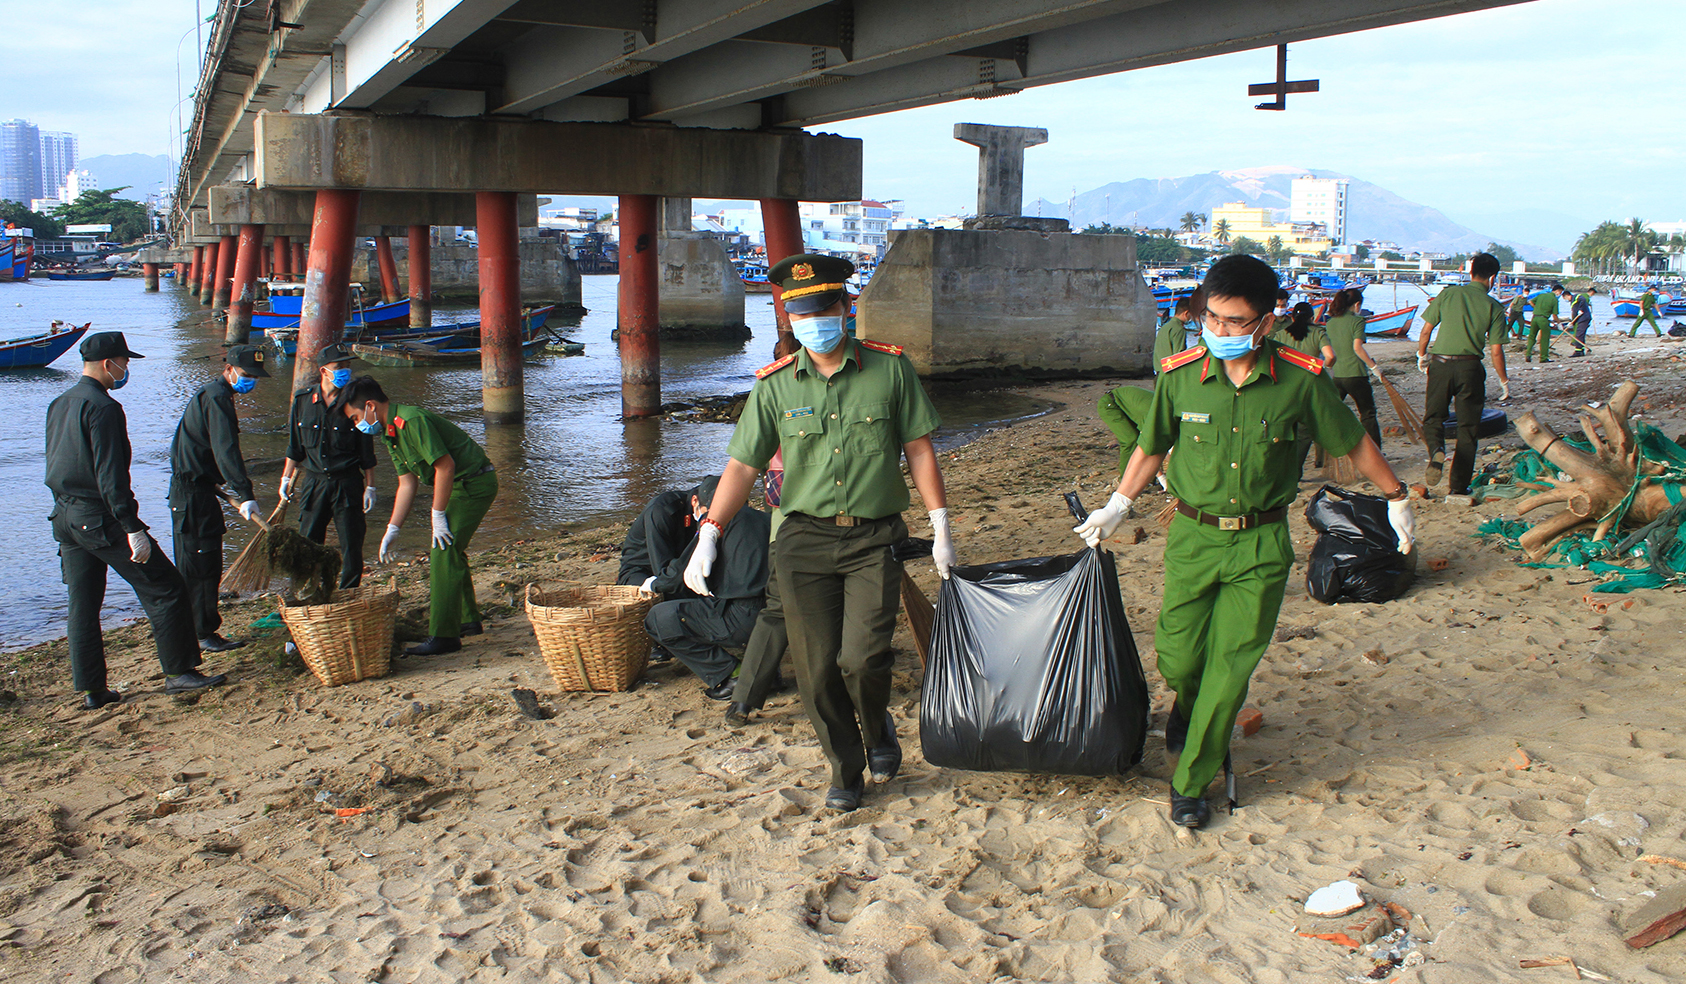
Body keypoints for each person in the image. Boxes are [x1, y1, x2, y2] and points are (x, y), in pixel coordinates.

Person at [1073, 255, 1414, 829]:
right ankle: (1187, 710)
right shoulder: (1181, 374)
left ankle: (1191, 783)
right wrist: (1117, 505)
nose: (1223, 333)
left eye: (1236, 323)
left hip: (1259, 545)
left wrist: (1398, 496)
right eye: (1213, 319)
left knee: (1229, 669)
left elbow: (1352, 442)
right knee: (1178, 658)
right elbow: (1151, 445)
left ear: (1266, 320)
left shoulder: (1301, 379)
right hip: (1191, 537)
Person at [683, 252, 957, 813]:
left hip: (872, 539)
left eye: (822, 309)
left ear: (846, 307)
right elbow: (743, 465)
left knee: (863, 657)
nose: (813, 322)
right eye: (799, 313)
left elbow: (919, 449)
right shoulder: (775, 386)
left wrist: (940, 524)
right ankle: (846, 766)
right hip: (801, 542)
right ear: (789, 319)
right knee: (816, 667)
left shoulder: (890, 369)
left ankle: (878, 727)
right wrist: (711, 530)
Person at [45, 332, 229, 707]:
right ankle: (180, 672)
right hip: (98, 516)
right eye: (123, 362)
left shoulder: (60, 402)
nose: (125, 369)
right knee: (166, 587)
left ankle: (93, 689)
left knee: (83, 604)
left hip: (64, 515)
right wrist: (132, 528)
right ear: (107, 363)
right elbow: (111, 477)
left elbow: (55, 462)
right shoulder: (104, 407)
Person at [340, 375, 498, 656]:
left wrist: (437, 515)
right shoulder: (391, 433)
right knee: (450, 549)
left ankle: (444, 635)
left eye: (355, 418)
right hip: (459, 486)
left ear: (370, 406)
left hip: (473, 482)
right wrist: (393, 528)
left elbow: (445, 467)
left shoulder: (411, 421)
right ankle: (467, 619)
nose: (357, 425)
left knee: (442, 549)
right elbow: (407, 483)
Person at [170, 344, 268, 652]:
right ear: (229, 370)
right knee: (201, 565)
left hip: (202, 489)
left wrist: (229, 490)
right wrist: (245, 492)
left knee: (208, 561)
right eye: (246, 375)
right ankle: (201, 633)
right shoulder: (217, 398)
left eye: (254, 376)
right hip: (192, 495)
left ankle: (201, 629)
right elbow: (226, 450)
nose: (250, 381)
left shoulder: (216, 394)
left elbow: (211, 452)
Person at [727, 336, 803, 728]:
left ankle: (745, 699)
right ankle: (745, 697)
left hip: (785, 518)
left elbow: (746, 463)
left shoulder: (770, 390)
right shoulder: (776, 389)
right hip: (789, 517)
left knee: (778, 610)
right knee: (783, 608)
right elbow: (744, 464)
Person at [641, 476, 770, 700]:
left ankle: (731, 674)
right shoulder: (765, 519)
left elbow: (678, 575)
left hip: (744, 617)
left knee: (658, 619)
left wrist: (652, 583)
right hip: (778, 614)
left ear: (701, 506)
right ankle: (770, 674)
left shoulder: (713, 524)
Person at [278, 343, 377, 589]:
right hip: (314, 483)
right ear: (324, 371)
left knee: (352, 543)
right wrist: (286, 479)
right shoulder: (303, 401)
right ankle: (307, 592)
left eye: (347, 365)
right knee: (308, 544)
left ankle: (349, 593)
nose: (345, 370)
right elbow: (295, 447)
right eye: (339, 366)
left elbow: (367, 451)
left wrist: (370, 487)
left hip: (347, 483)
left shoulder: (356, 402)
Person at [1415, 252, 1513, 495]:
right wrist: (1504, 381)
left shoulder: (1449, 293)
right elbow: (1496, 351)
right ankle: (1458, 487)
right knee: (1468, 429)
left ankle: (1437, 450)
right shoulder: (1494, 306)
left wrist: (1421, 355)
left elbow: (1426, 331)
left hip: (1440, 364)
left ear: (1471, 272)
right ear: (1493, 278)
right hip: (1470, 368)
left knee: (1433, 417)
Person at [1322, 288, 1388, 447]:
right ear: (1357, 304)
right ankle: (1376, 452)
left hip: (1336, 375)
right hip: (1356, 375)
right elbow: (1357, 347)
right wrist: (1374, 367)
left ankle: (1327, 452)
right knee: (1368, 414)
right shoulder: (1358, 321)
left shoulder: (1330, 323)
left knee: (1333, 413)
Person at [617, 483, 706, 589]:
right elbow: (663, 572)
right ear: (695, 501)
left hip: (680, 565)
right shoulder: (661, 511)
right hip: (645, 571)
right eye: (707, 514)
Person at [1524, 284, 1565, 363]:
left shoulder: (1541, 295)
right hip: (1543, 319)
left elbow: (1530, 301)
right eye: (1560, 292)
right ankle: (1543, 358)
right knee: (1544, 339)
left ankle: (1528, 354)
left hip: (1535, 317)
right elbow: (1555, 315)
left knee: (1532, 337)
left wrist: (1536, 308)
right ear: (1558, 291)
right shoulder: (1554, 300)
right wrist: (1559, 324)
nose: (1560, 294)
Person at [1154, 295, 1196, 367]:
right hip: (1170, 373)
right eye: (1191, 315)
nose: (1192, 317)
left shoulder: (1164, 327)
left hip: (1159, 371)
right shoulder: (1179, 329)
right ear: (1186, 313)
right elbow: (1179, 356)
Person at [1569, 291, 1593, 357]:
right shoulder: (1573, 301)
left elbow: (1583, 299)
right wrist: (1572, 322)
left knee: (1579, 334)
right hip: (1581, 319)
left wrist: (1580, 309)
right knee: (1580, 334)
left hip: (1584, 318)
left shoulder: (1576, 297)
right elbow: (1574, 313)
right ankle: (1581, 350)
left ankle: (1578, 351)